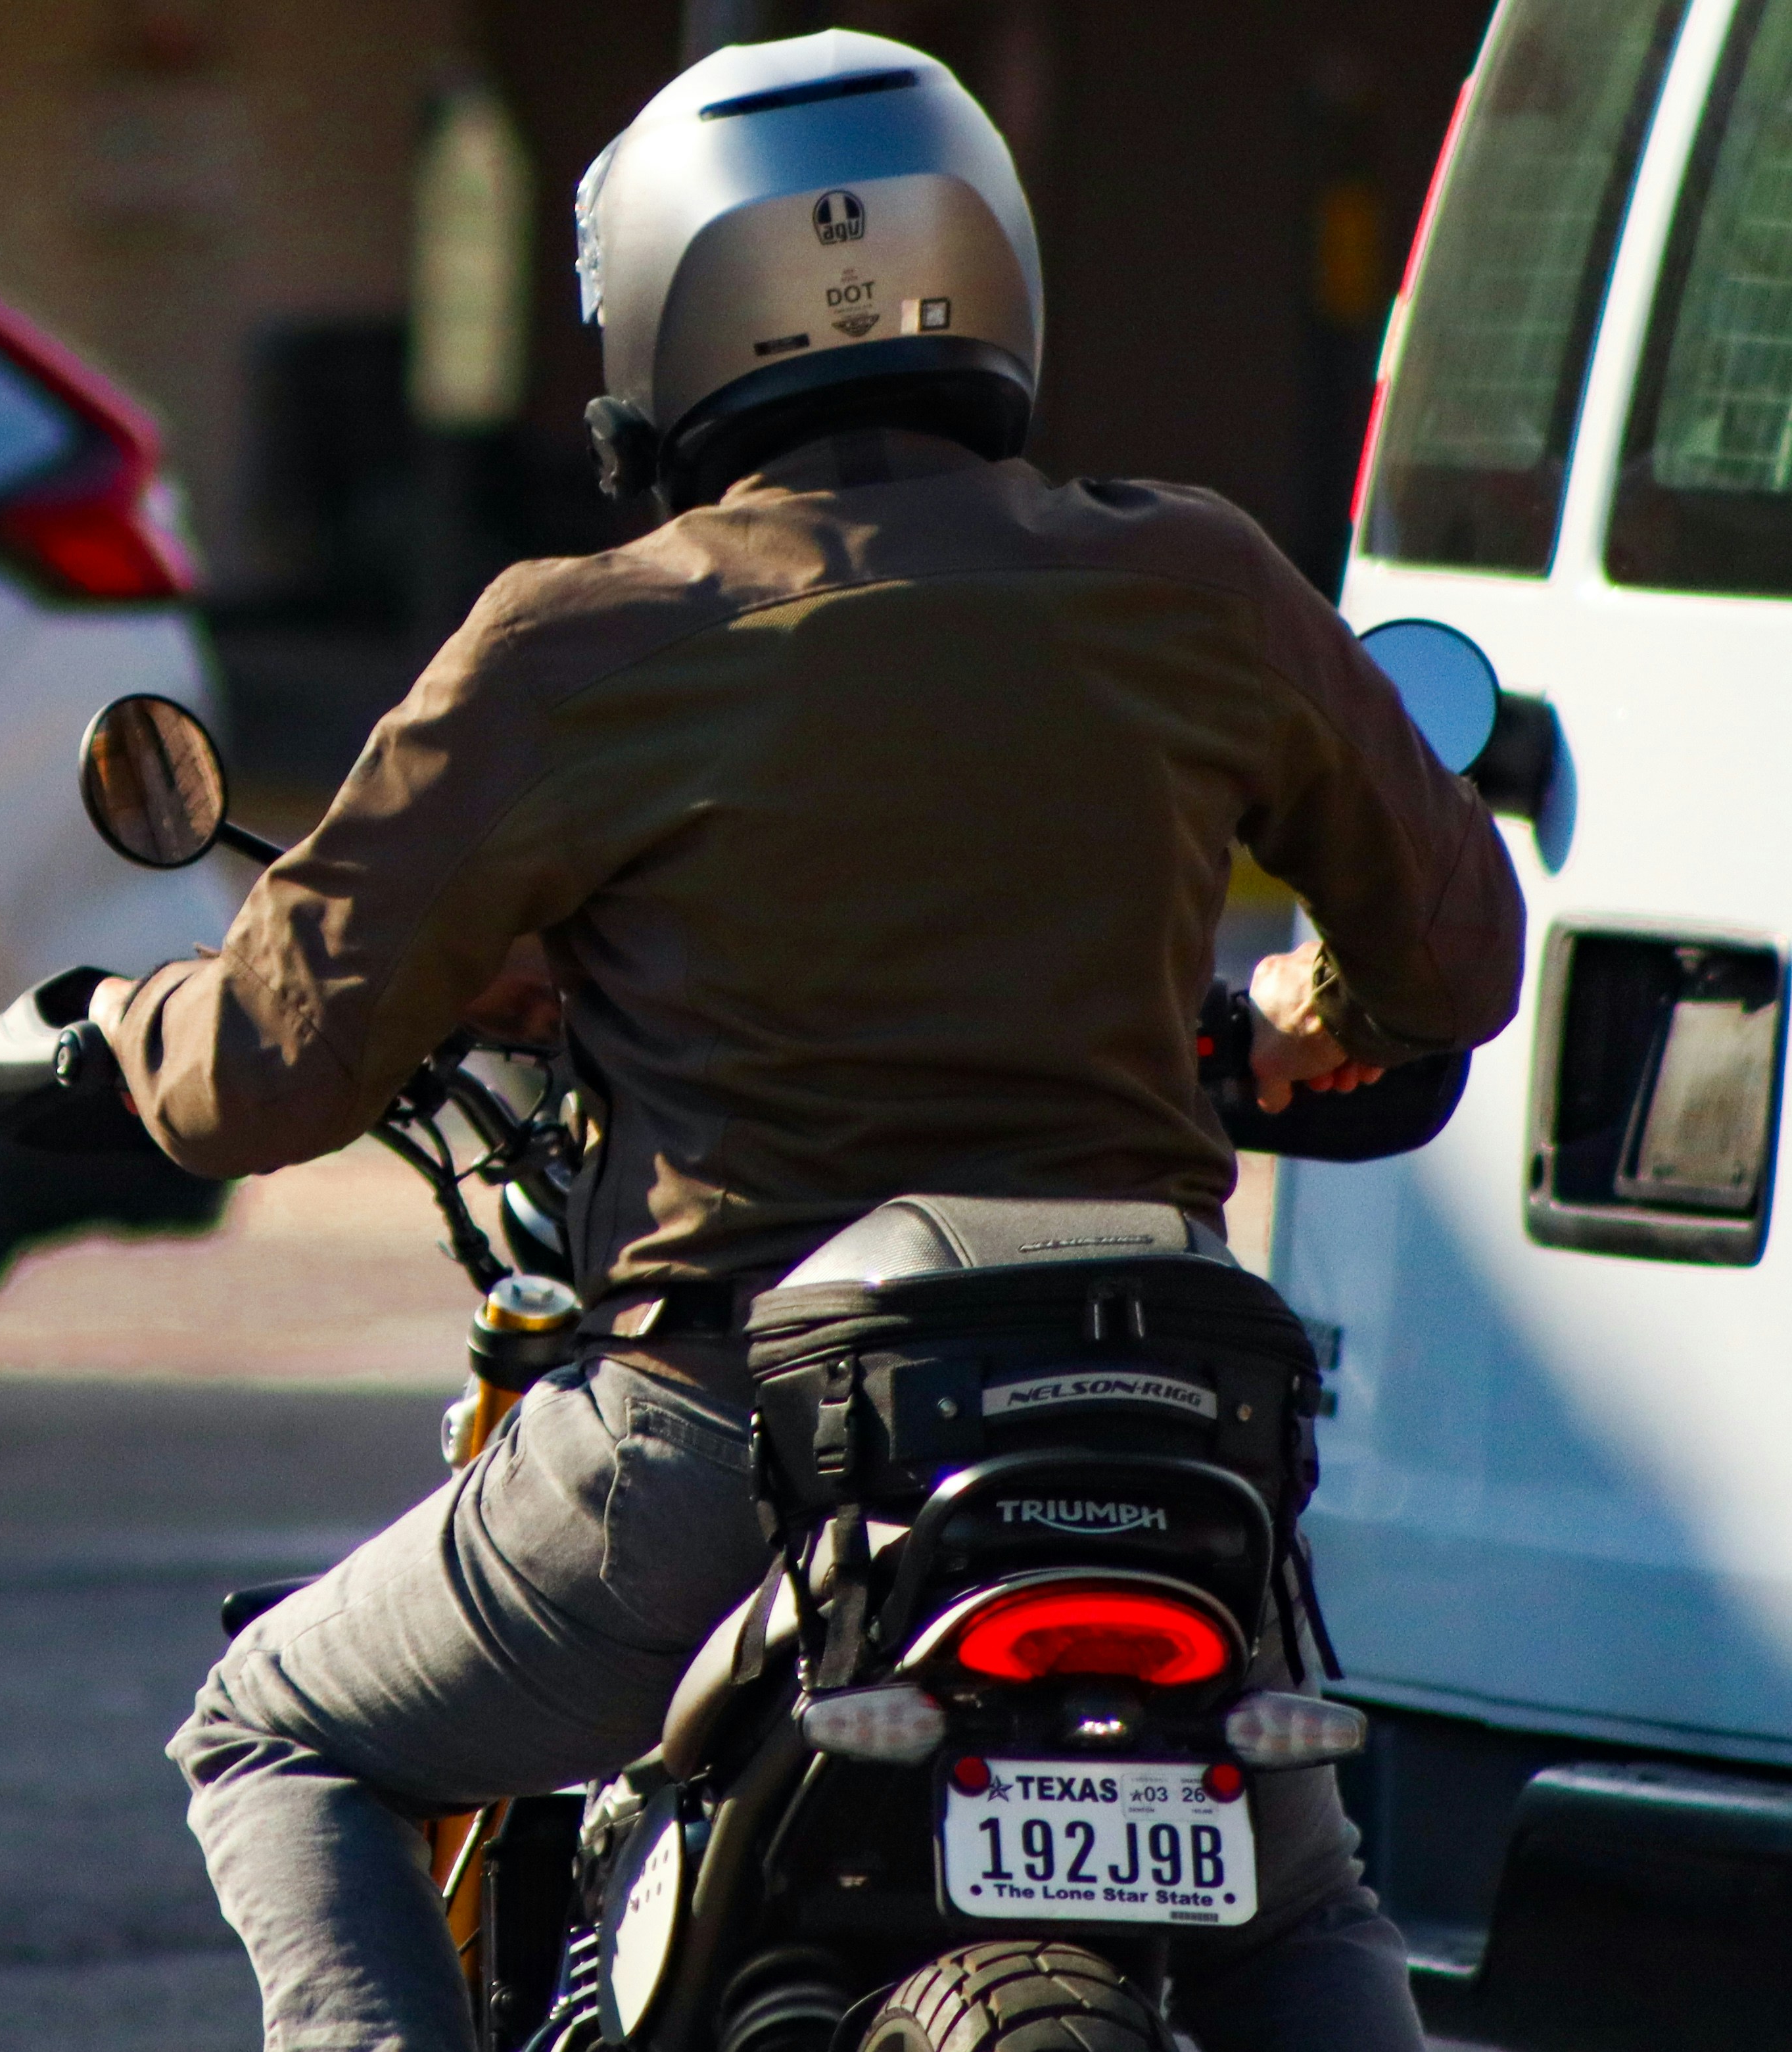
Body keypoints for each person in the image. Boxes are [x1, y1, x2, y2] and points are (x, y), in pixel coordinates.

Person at [87, 30, 1523, 2052]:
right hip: (1160, 1429)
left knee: (277, 1733)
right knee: (1298, 1901)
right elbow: (1452, 961)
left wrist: (120, 1025)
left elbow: (268, 1066)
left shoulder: (582, 636)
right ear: (987, 268)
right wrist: (1309, 1019)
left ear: (661, 314)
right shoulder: (1194, 574)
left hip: (733, 1445)